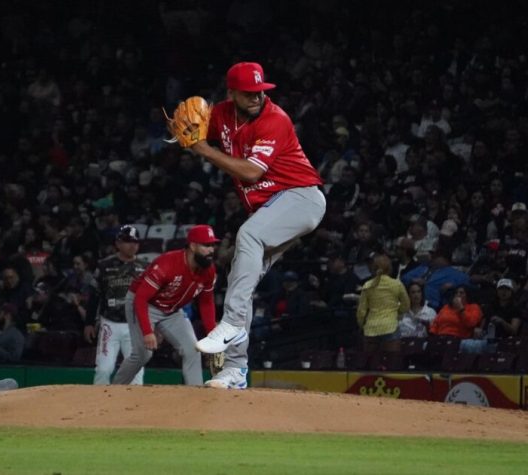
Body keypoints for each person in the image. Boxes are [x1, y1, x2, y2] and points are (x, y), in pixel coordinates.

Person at [189, 61, 326, 389]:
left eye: (260, 91)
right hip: (271, 210)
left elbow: (251, 173)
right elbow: (191, 129)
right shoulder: (221, 113)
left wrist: (204, 150)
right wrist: (185, 129)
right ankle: (235, 371)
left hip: (300, 198)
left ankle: (232, 323)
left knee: (247, 234)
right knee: (241, 280)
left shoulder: (274, 119)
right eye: (248, 93)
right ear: (231, 93)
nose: (256, 98)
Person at [112, 225, 219, 386]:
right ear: (193, 246)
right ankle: (113, 390)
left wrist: (212, 336)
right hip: (144, 303)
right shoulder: (167, 264)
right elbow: (141, 298)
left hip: (171, 310)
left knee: (192, 350)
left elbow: (206, 302)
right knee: (143, 355)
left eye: (212, 245)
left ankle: (196, 397)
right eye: (206, 245)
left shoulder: (208, 270)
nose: (211, 250)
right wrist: (148, 332)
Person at [87, 225, 149, 385]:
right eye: (128, 241)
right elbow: (94, 296)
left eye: (136, 242)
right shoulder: (103, 266)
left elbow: (152, 298)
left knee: (136, 372)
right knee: (103, 369)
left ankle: (133, 407)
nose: (132, 245)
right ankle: (99, 406)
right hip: (110, 323)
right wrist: (88, 323)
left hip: (135, 325)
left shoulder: (145, 267)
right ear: (118, 243)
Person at [356, 254, 410, 353]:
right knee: (392, 363)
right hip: (390, 326)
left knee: (371, 363)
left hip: (371, 328)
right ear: (389, 268)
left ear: (373, 268)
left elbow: (361, 311)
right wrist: (396, 312)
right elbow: (406, 305)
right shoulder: (397, 284)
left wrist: (361, 325)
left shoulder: (367, 285)